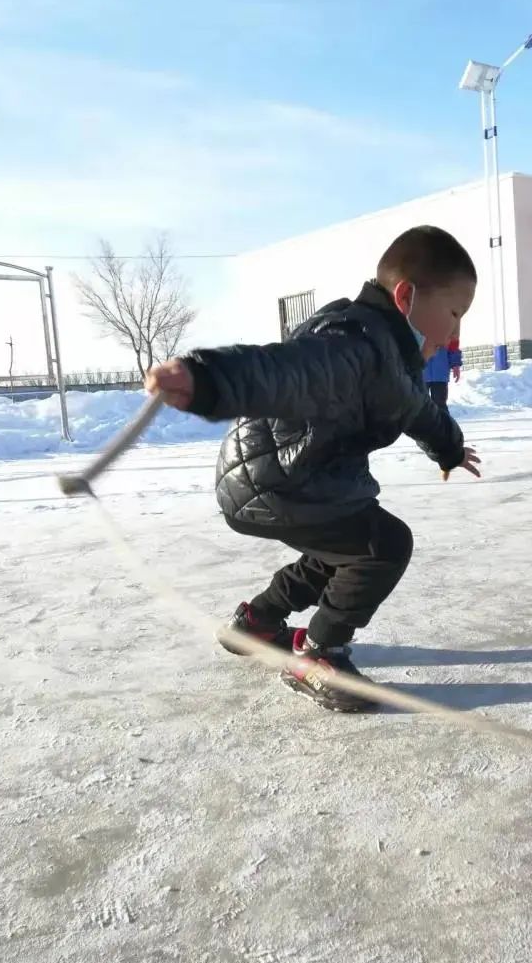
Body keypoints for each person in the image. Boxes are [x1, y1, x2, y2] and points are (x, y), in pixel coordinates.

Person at [145, 225, 481, 713]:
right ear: (406, 295)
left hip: (288, 480)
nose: (454, 334)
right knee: (384, 545)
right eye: (453, 314)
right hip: (280, 482)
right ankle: (319, 653)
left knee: (342, 550)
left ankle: (257, 621)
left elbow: (417, 410)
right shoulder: (354, 343)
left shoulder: (388, 352)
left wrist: (450, 448)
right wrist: (208, 378)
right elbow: (290, 368)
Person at [424, 335, 462, 412]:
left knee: (440, 405)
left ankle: (443, 423)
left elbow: (453, 343)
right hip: (420, 370)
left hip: (440, 372)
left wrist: (455, 364)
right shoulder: (416, 323)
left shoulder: (444, 324)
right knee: (420, 405)